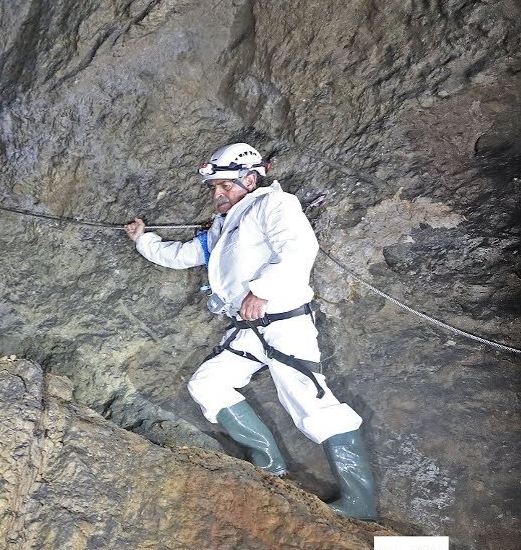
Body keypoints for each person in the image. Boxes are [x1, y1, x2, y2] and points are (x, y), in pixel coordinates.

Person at [124, 142, 377, 520]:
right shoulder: (223, 227)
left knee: (310, 405)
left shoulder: (274, 205)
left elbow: (299, 249)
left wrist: (261, 291)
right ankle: (269, 466)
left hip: (285, 323)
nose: (217, 193)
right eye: (214, 187)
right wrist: (142, 239)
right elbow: (179, 256)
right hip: (249, 328)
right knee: (207, 385)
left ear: (250, 178)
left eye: (224, 184)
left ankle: (361, 502)